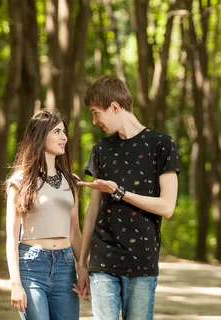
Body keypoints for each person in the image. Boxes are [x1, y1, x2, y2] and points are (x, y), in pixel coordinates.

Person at [75, 76, 180, 320]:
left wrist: (120, 193)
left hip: (141, 261)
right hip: (102, 262)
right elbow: (93, 210)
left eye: (95, 112)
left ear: (114, 106)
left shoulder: (162, 145)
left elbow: (167, 207)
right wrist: (82, 262)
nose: (94, 121)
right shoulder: (101, 149)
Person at [4, 109, 82, 320]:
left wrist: (83, 268)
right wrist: (16, 284)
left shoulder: (71, 181)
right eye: (56, 131)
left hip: (66, 268)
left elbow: (75, 232)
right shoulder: (19, 182)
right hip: (32, 266)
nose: (63, 137)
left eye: (64, 131)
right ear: (40, 135)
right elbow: (11, 238)